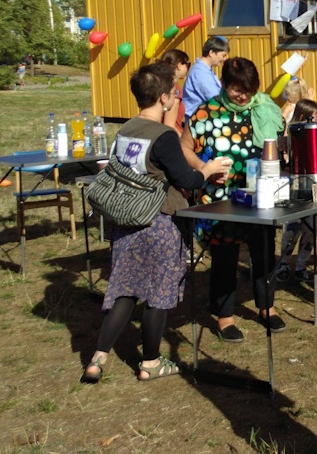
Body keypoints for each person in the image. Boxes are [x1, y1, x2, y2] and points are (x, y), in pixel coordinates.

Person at [82, 64, 231, 383]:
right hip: (159, 221)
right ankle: (150, 362)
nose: (177, 96)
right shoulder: (163, 136)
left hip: (126, 221)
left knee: (124, 289)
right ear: (163, 98)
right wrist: (210, 169)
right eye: (175, 91)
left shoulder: (126, 129)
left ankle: (97, 358)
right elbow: (187, 179)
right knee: (157, 294)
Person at [181, 57, 286, 343]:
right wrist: (203, 170)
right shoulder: (206, 112)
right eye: (238, 90)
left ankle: (267, 307)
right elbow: (184, 147)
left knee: (264, 249)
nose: (244, 96)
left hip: (258, 192)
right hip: (220, 196)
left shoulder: (262, 107)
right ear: (224, 84)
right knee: (225, 255)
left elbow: (278, 140)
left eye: (249, 90)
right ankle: (224, 316)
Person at [277, 99, 317, 282]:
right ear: (303, 117)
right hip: (295, 187)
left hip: (314, 187)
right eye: (316, 116)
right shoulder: (291, 135)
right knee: (292, 228)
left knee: (311, 228)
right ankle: (283, 264)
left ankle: (301, 266)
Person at [181, 36, 229, 120]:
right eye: (223, 55)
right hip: (198, 121)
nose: (224, 59)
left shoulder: (205, 70)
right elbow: (215, 98)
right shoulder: (200, 73)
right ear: (211, 53)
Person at [157, 49, 190, 136]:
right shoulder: (175, 90)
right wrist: (184, 143)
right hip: (172, 137)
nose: (188, 68)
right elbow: (170, 125)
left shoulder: (159, 85)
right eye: (187, 64)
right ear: (179, 66)